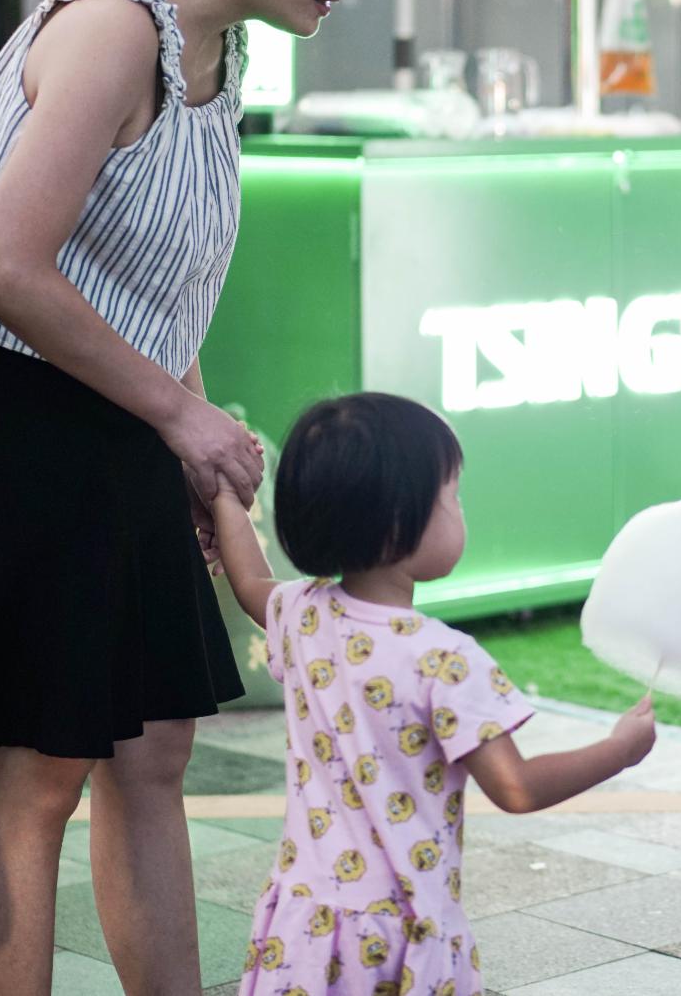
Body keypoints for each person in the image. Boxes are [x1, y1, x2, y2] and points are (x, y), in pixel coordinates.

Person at [0, 0, 390, 994]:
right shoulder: (114, 25)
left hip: (121, 417)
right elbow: (5, 263)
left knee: (153, 748)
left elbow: (161, 298)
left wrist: (201, 461)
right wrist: (180, 416)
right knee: (31, 779)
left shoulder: (220, 53)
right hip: (16, 418)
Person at [210, 392, 657, 995]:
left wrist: (221, 495)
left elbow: (247, 579)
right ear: (399, 521)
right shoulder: (442, 659)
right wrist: (620, 749)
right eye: (453, 495)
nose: (460, 510)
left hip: (302, 922)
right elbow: (517, 788)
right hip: (397, 935)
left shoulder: (302, 613)